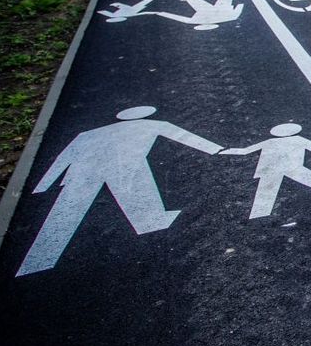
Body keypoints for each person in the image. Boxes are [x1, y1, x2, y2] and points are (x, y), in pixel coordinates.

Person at [17, 106, 222, 276]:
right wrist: (219, 151)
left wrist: (45, 184)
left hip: (82, 174)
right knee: (147, 214)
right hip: (129, 168)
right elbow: (186, 138)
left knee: (66, 210)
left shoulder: (87, 134)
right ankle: (43, 256)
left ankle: (41, 255)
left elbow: (64, 159)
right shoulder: (151, 124)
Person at [221, 123, 311, 219]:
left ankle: (260, 212)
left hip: (269, 168)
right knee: (305, 176)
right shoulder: (298, 139)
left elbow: (245, 151)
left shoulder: (270, 141)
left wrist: (226, 150)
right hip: (289, 166)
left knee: (266, 189)